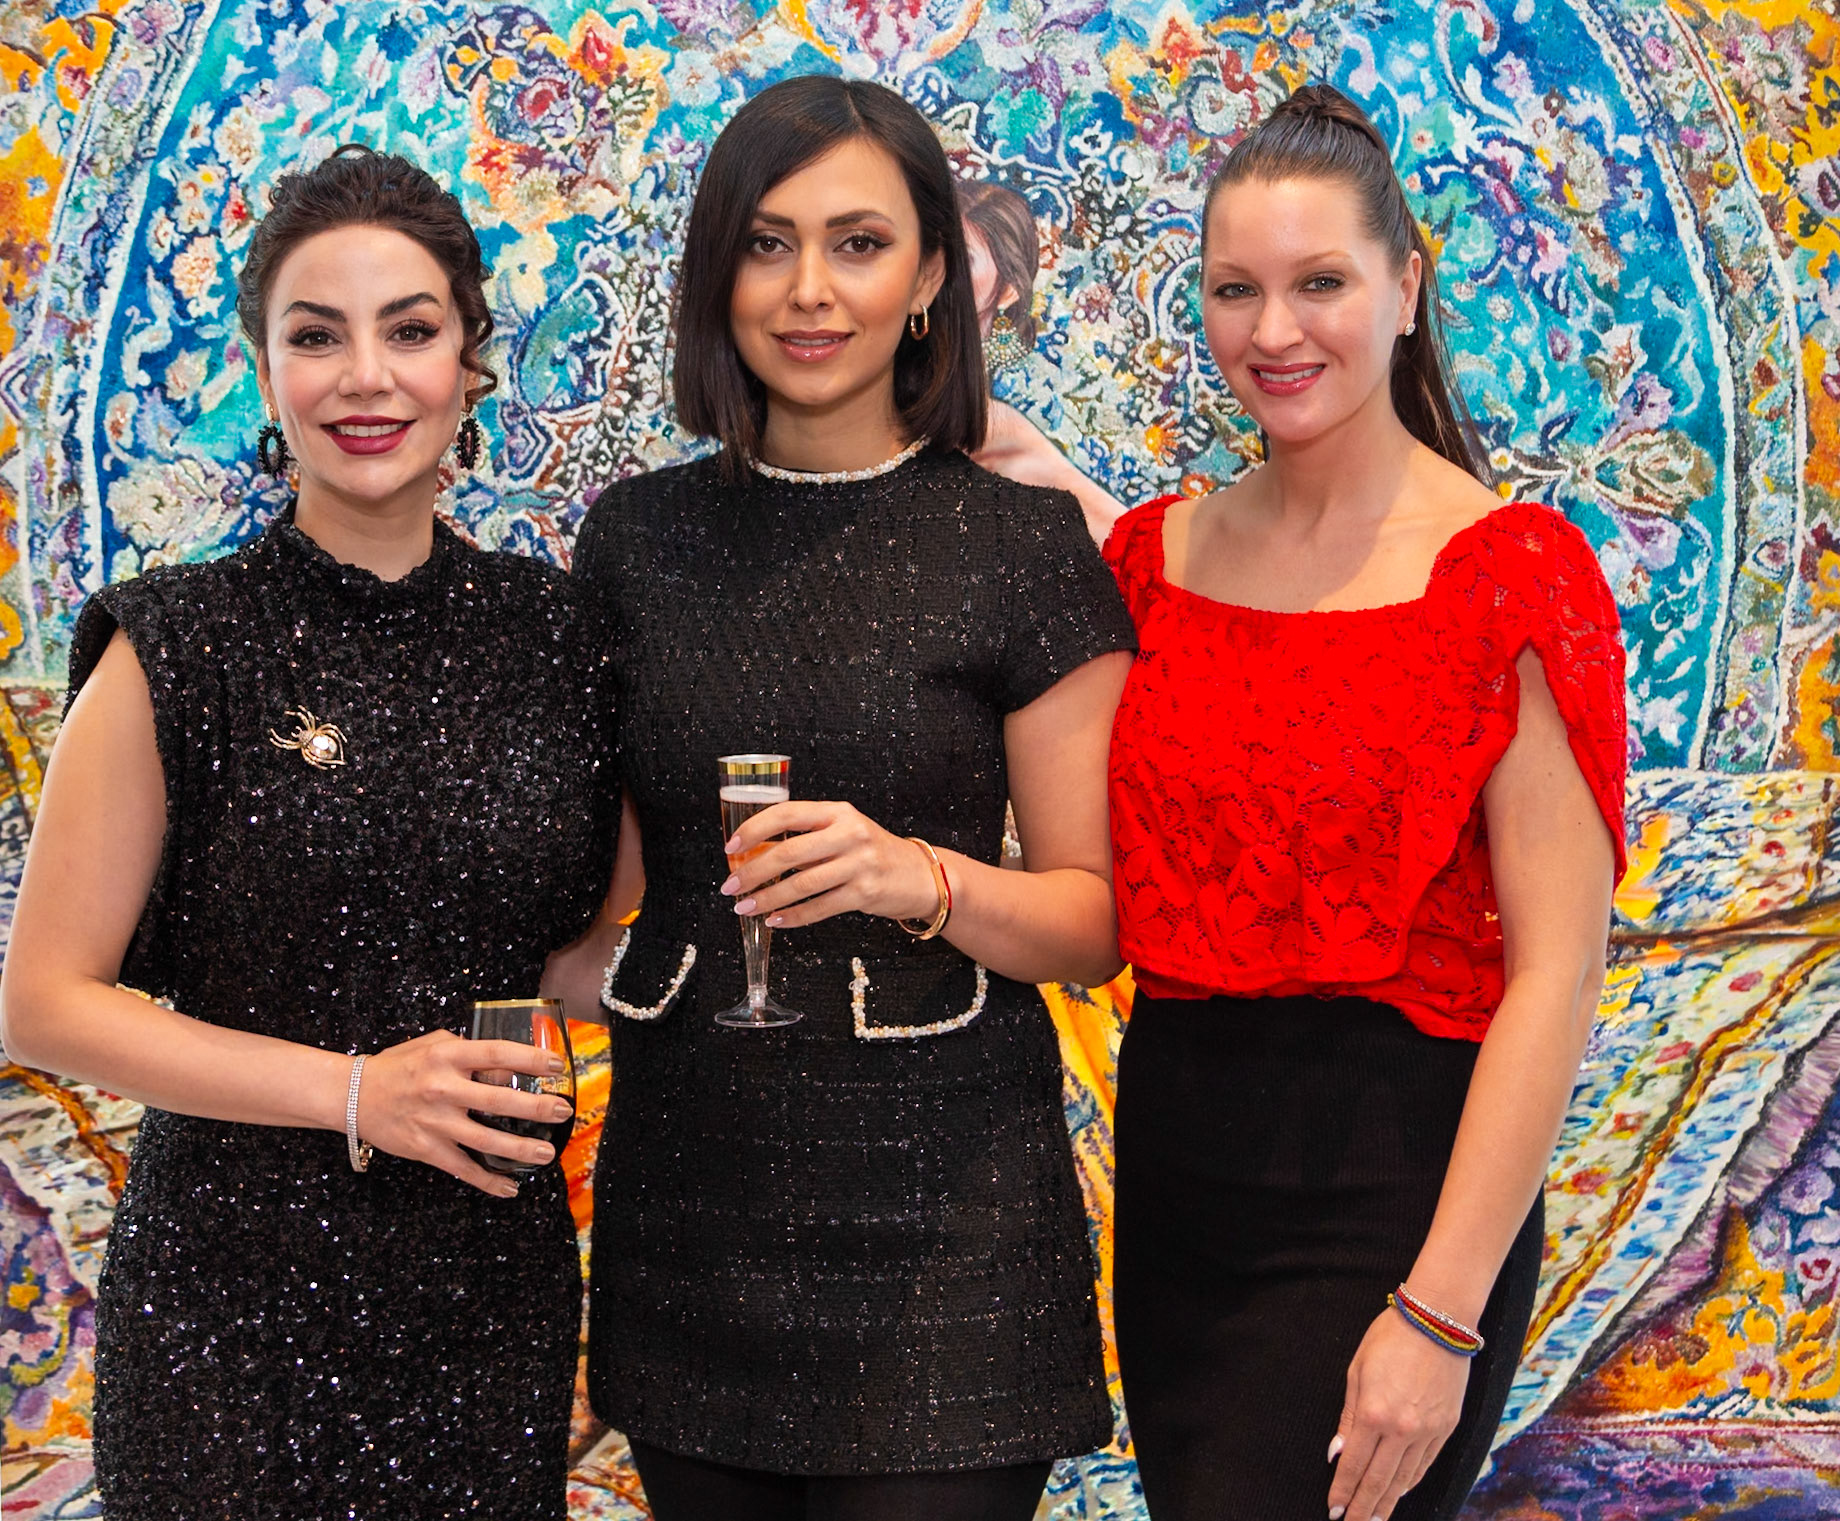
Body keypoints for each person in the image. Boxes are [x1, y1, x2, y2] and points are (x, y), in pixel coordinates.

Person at [0, 146, 621, 1519]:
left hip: (488, 1297)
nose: (367, 378)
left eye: (410, 330)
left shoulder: (560, 637)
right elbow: (44, 1002)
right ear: (265, 370)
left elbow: (570, 955)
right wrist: (356, 1093)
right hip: (233, 1313)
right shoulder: (178, 645)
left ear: (469, 361)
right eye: (317, 335)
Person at [572, 74, 1134, 1521]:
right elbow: (608, 888)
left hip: (950, 1233)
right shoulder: (635, 540)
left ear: (934, 274)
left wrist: (915, 878)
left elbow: (1093, 921)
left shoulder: (1023, 546)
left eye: (859, 243)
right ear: (719, 273)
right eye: (767, 243)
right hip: (692, 1215)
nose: (809, 289)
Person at [1103, 86, 1627, 1521]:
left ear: (1407, 287)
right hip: (1178, 1184)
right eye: (1235, 290)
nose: (1274, 330)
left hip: (1396, 1198)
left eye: (1320, 283)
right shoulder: (1147, 561)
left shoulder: (1511, 574)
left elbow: (1560, 970)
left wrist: (1441, 1313)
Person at [959, 178, 1125, 543]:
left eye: (963, 260)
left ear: (1007, 291)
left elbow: (1133, 546)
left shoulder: (1006, 443)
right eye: (929, 251)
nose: (935, 272)